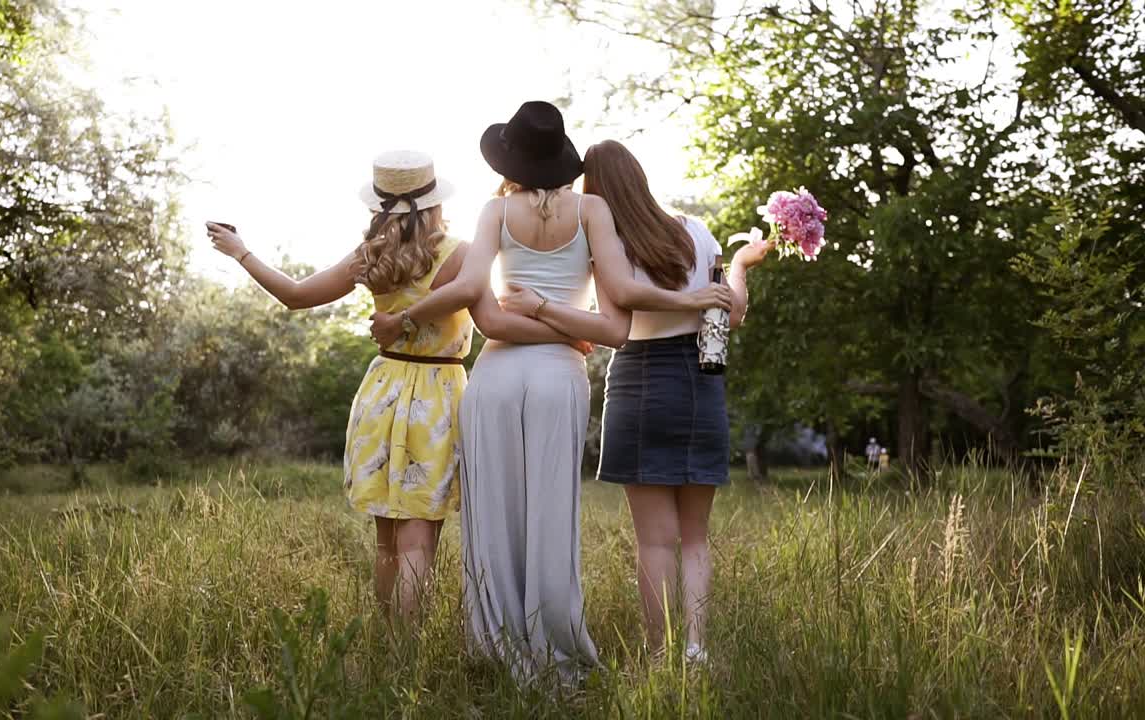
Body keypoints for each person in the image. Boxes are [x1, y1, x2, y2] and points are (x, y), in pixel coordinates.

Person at [370, 103, 728, 682]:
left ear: (510, 159)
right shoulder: (593, 209)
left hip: (496, 376)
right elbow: (614, 327)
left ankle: (496, 646)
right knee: (549, 517)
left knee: (497, 517)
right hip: (559, 374)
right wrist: (569, 327)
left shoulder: (493, 211)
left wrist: (525, 309)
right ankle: (553, 642)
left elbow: (488, 319)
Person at [498, 140, 770, 663]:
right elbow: (731, 313)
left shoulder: (606, 241)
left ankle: (659, 654)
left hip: (642, 382)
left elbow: (616, 315)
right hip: (700, 382)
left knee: (655, 541)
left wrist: (540, 307)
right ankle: (695, 648)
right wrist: (739, 263)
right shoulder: (694, 229)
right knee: (694, 538)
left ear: (592, 189)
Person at [206, 150, 481, 623]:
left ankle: (384, 637)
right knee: (420, 535)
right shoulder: (461, 254)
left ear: (379, 206)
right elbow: (491, 317)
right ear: (434, 202)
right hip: (438, 397)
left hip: (383, 391)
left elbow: (295, 296)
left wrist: (241, 252)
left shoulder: (370, 256)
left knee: (388, 540)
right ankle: (406, 651)